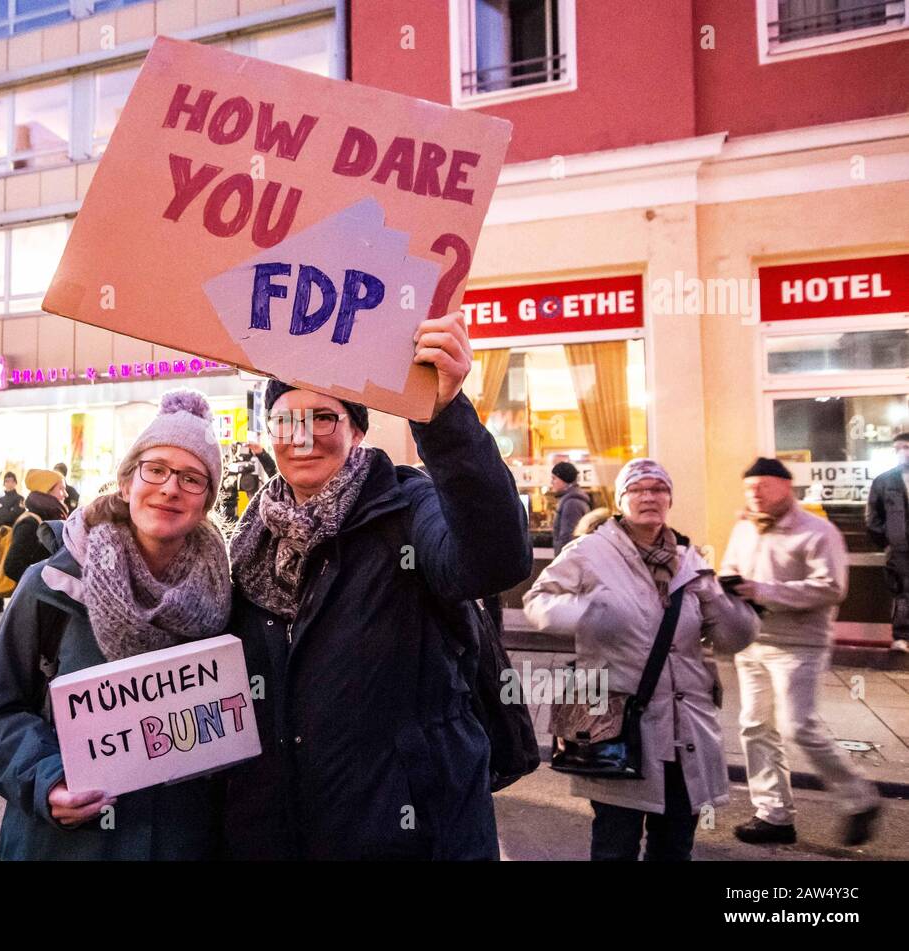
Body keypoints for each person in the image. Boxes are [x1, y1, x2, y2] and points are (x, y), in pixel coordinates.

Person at [222, 311, 532, 860]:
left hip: (409, 834)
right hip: (287, 831)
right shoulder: (249, 542)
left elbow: (493, 560)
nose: (304, 438)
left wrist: (444, 417)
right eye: (286, 422)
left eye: (324, 418)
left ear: (359, 431)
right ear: (268, 437)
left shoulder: (408, 508)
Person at [0, 389, 231, 859]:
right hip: (67, 847)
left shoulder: (226, 597)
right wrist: (47, 782)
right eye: (156, 469)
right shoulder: (50, 585)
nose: (169, 488)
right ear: (127, 483)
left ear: (205, 502)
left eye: (191, 478)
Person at [523, 458, 758, 861]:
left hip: (686, 730)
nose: (649, 496)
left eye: (658, 489)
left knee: (675, 845)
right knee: (616, 844)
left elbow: (733, 639)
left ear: (669, 498)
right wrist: (589, 610)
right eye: (638, 489)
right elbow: (537, 601)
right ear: (621, 499)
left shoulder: (690, 559)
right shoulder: (591, 551)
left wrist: (719, 599)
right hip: (619, 727)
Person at [725, 457, 881, 847]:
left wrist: (763, 591)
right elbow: (731, 569)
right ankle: (773, 815)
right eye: (748, 488)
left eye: (762, 486)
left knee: (799, 725)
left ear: (786, 487)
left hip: (799, 645)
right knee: (754, 726)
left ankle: (860, 798)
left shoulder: (818, 531)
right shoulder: (744, 527)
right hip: (753, 641)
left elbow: (831, 587)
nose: (754, 494)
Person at [866, 433, 909, 652]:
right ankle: (902, 637)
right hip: (899, 549)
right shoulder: (884, 481)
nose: (902, 452)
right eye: (898, 448)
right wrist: (889, 540)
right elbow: (873, 519)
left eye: (906, 446)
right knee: (903, 592)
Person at [0, 470, 70, 587]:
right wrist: (43, 586)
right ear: (46, 491)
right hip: (37, 601)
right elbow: (12, 566)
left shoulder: (50, 517)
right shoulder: (30, 523)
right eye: (61, 489)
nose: (66, 494)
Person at [0, 472, 24, 616]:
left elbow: (14, 516)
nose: (9, 483)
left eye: (11, 481)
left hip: (10, 540)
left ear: (15, 483)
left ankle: (16, 606)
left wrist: (1, 516)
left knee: (10, 571)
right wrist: (4, 515)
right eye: (6, 481)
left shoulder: (20, 499)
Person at [550, 461, 590, 555]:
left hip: (568, 559)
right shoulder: (572, 500)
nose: (552, 482)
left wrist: (561, 561)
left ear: (564, 479)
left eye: (554, 478)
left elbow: (568, 537)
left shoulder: (571, 503)